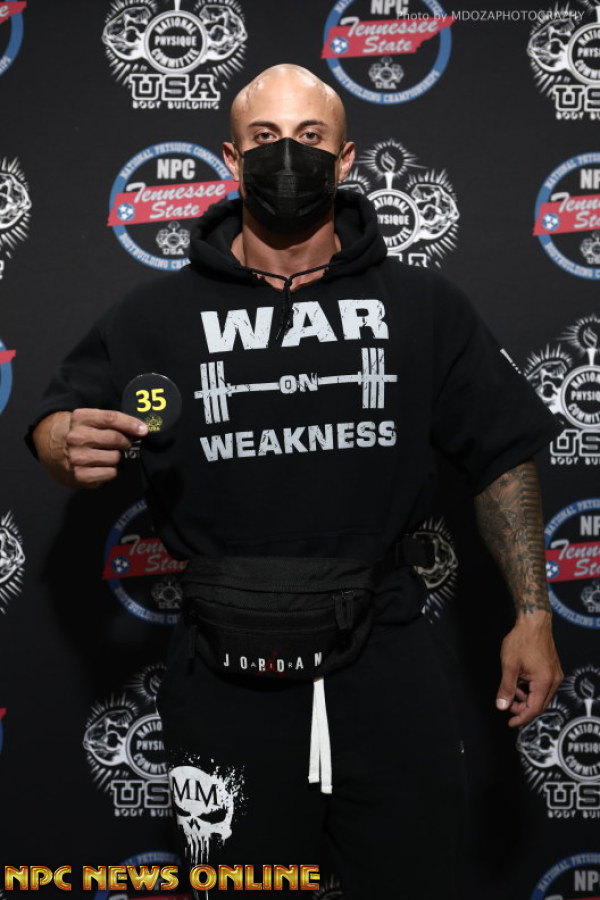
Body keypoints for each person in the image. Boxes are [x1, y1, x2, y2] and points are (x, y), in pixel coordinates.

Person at [27, 64, 563, 899]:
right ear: (230, 159)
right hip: (223, 664)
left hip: (386, 651)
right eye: (265, 138)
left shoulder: (423, 305)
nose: (288, 156)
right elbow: (57, 423)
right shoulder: (153, 317)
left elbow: (501, 456)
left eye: (310, 138)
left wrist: (533, 612)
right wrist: (62, 442)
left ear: (345, 159)